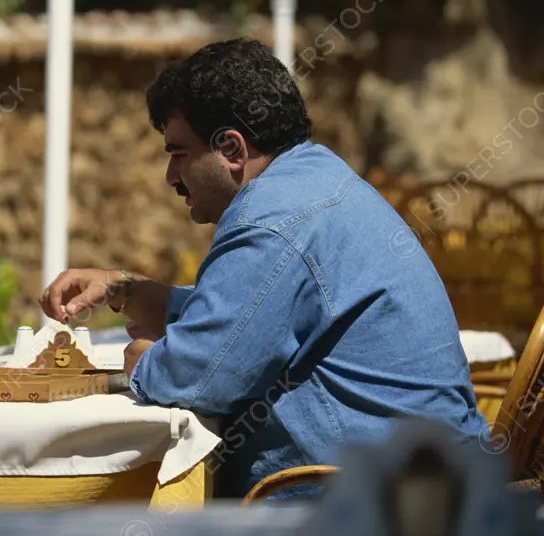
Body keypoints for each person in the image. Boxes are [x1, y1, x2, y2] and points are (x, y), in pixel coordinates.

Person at [39, 38, 486, 500]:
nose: (171, 177)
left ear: (232, 149)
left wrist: (143, 366)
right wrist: (125, 289)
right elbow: (252, 319)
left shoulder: (273, 221)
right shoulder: (312, 180)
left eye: (179, 153)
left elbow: (196, 379)